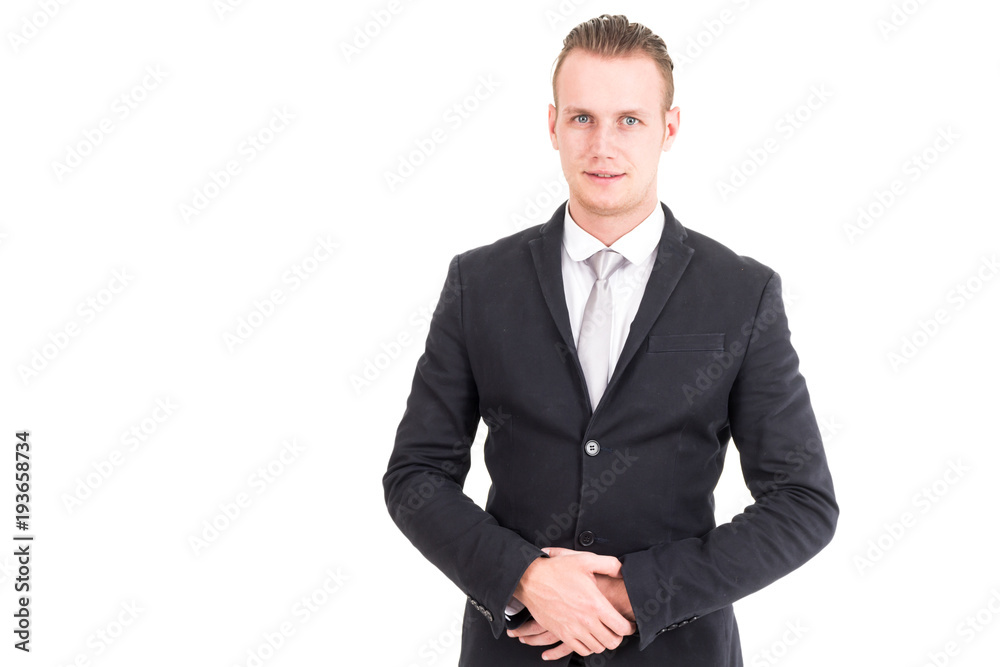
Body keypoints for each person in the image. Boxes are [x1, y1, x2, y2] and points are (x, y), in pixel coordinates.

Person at [383, 14, 837, 666]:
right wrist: (525, 577)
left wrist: (632, 592)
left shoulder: (741, 293)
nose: (603, 144)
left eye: (629, 119)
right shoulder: (478, 283)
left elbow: (803, 502)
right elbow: (415, 475)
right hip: (513, 650)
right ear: (552, 125)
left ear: (668, 129)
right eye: (582, 118)